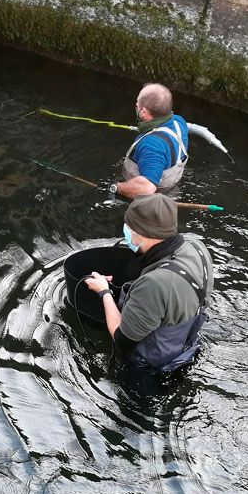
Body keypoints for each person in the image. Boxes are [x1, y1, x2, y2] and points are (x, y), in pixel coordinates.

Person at [84, 194, 213, 371]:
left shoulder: (155, 284)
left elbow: (122, 340)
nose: (125, 231)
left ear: (143, 234)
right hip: (186, 345)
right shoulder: (198, 247)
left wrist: (104, 292)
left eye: (128, 227)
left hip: (150, 367)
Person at [111, 83, 189, 197]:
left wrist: (116, 187)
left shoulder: (151, 145)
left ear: (143, 112)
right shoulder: (179, 122)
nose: (136, 107)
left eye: (137, 105)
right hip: (172, 191)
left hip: (147, 200)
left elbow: (146, 188)